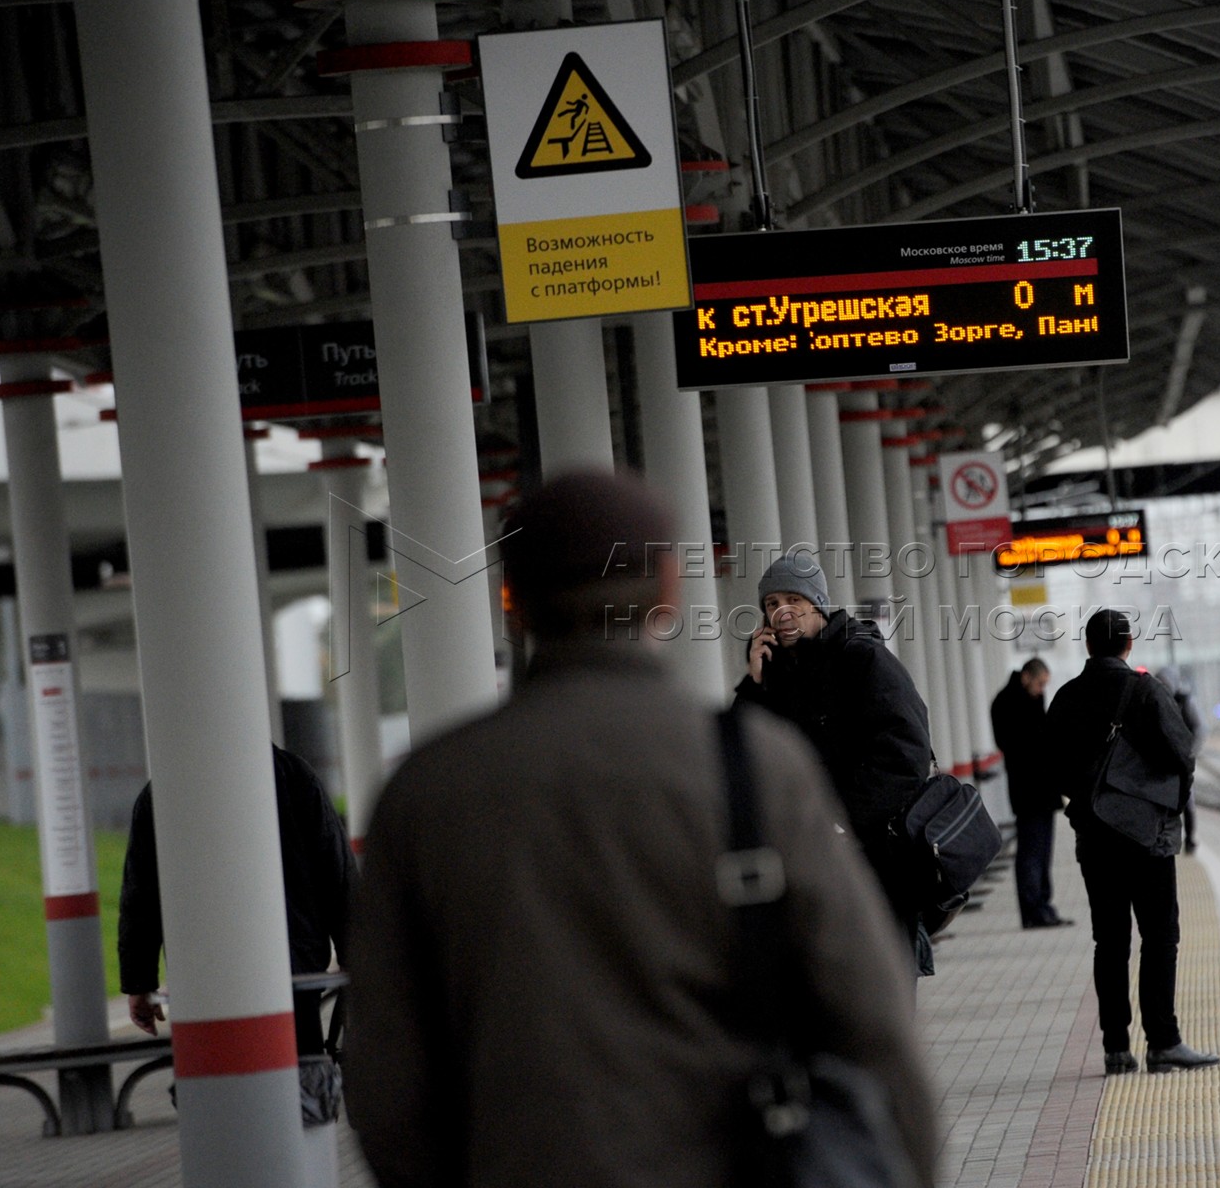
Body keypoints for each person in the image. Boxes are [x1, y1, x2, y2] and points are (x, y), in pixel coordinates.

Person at [346, 474, 935, 1188]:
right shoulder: (752, 767)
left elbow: (385, 1071)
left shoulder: (424, 793)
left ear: (513, 600)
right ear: (667, 592)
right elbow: (869, 1024)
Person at [732, 551, 935, 972]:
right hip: (806, 860)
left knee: (882, 975)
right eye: (771, 604)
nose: (782, 611)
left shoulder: (862, 658)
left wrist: (842, 818)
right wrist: (754, 682)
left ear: (817, 604)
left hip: (875, 854)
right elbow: (741, 750)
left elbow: (905, 752)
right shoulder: (776, 675)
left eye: (793, 600)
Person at [1045, 609, 1220, 1076]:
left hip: (1093, 836)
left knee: (1110, 940)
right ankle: (1163, 1043)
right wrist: (1167, 806)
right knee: (1160, 937)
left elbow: (1052, 767)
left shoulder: (1065, 697)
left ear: (1088, 646)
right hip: (1146, 838)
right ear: (1128, 644)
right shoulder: (1145, 690)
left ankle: (1116, 1049)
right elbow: (1182, 753)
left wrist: (1090, 796)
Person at [118, 744, 355, 1055]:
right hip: (292, 968)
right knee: (300, 1074)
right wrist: (358, 959)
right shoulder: (292, 775)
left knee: (212, 1080)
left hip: (203, 974)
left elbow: (142, 894)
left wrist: (139, 982)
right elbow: (337, 874)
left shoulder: (164, 789)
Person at [991, 657, 1069, 928]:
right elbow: (1018, 744)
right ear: (1026, 677)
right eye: (1039, 684)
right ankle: (1032, 909)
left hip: (1042, 790)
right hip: (1027, 790)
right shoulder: (1006, 703)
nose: (1041, 690)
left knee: (1043, 851)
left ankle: (1044, 905)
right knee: (1030, 852)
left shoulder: (1031, 700)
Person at [1153, 664, 1206, 853]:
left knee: (1187, 801)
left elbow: (1200, 728)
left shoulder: (1186, 702)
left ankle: (1190, 839)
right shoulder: (1155, 700)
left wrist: (1190, 754)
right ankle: (1164, 839)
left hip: (1182, 761)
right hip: (1163, 762)